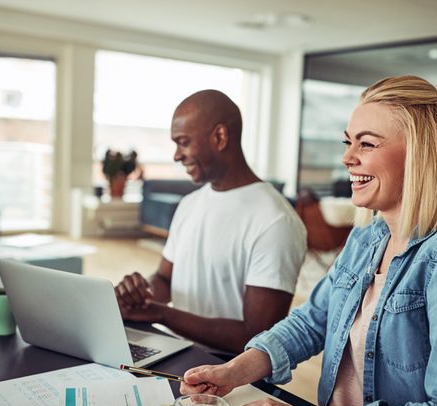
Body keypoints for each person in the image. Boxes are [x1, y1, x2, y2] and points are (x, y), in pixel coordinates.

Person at [181, 76, 437, 406]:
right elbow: (312, 322)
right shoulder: (367, 238)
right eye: (348, 142)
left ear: (419, 155)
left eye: (366, 144)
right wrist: (233, 371)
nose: (347, 157)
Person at [115, 89, 307, 354]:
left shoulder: (276, 221)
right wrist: (138, 296)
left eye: (183, 142)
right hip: (174, 354)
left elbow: (258, 337)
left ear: (220, 136)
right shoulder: (190, 204)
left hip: (229, 377)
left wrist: (162, 315)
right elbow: (165, 279)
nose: (176, 155)